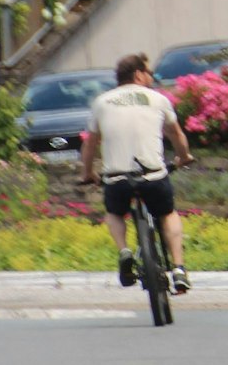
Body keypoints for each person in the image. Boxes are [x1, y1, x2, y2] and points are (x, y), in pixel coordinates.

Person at [79, 52, 194, 294]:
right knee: (167, 213)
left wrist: (88, 173)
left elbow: (89, 144)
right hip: (152, 176)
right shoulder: (157, 99)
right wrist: (183, 157)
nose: (152, 77)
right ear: (139, 74)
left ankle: (124, 251)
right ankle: (179, 268)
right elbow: (176, 135)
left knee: (114, 212)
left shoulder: (102, 102)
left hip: (117, 179)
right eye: (149, 73)